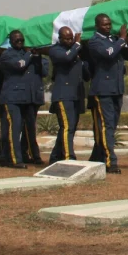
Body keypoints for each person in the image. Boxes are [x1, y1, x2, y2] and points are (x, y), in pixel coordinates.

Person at [85, 15, 128, 173]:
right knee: (106, 126)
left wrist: (122, 41)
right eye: (105, 25)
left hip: (116, 89)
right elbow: (109, 54)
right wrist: (122, 39)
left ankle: (97, 157)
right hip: (103, 90)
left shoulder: (114, 39)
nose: (108, 27)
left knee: (110, 126)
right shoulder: (94, 41)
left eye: (110, 24)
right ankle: (109, 161)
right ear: (97, 26)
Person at [0, 30, 36, 169]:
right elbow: (20, 65)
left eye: (21, 40)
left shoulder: (23, 54)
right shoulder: (7, 55)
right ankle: (15, 159)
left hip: (22, 98)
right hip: (11, 97)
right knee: (14, 128)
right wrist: (30, 53)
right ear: (11, 41)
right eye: (17, 40)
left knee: (12, 129)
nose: (19, 42)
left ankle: (3, 157)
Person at [47, 27, 87, 163]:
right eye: (67, 38)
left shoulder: (77, 52)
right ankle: (68, 157)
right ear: (60, 38)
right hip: (63, 96)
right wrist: (77, 44)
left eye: (71, 38)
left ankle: (55, 156)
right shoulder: (55, 50)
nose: (70, 41)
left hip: (76, 95)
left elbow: (86, 73)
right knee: (67, 127)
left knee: (70, 128)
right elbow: (67, 57)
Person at [21, 51, 48, 166]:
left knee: (30, 126)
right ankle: (31, 153)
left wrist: (37, 57)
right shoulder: (23, 57)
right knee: (26, 126)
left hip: (35, 97)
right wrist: (29, 55)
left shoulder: (42, 59)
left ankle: (27, 152)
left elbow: (44, 72)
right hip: (23, 96)